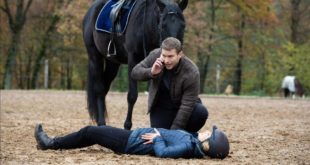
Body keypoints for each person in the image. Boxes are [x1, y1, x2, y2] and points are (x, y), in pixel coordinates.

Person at [131, 37, 208, 132]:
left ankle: (186, 135)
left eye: (170, 56)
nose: (166, 60)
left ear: (180, 54)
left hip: (183, 106)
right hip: (161, 107)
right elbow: (134, 73)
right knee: (159, 136)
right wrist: (151, 72)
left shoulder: (191, 71)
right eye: (164, 55)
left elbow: (187, 106)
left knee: (200, 112)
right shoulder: (155, 55)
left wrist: (174, 132)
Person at [34, 123, 230, 159]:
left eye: (208, 134)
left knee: (90, 132)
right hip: (133, 137)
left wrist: (158, 138)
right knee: (94, 133)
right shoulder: (193, 142)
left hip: (130, 142)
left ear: (207, 144)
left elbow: (164, 153)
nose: (205, 131)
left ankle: (51, 143)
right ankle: (53, 143)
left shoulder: (188, 146)